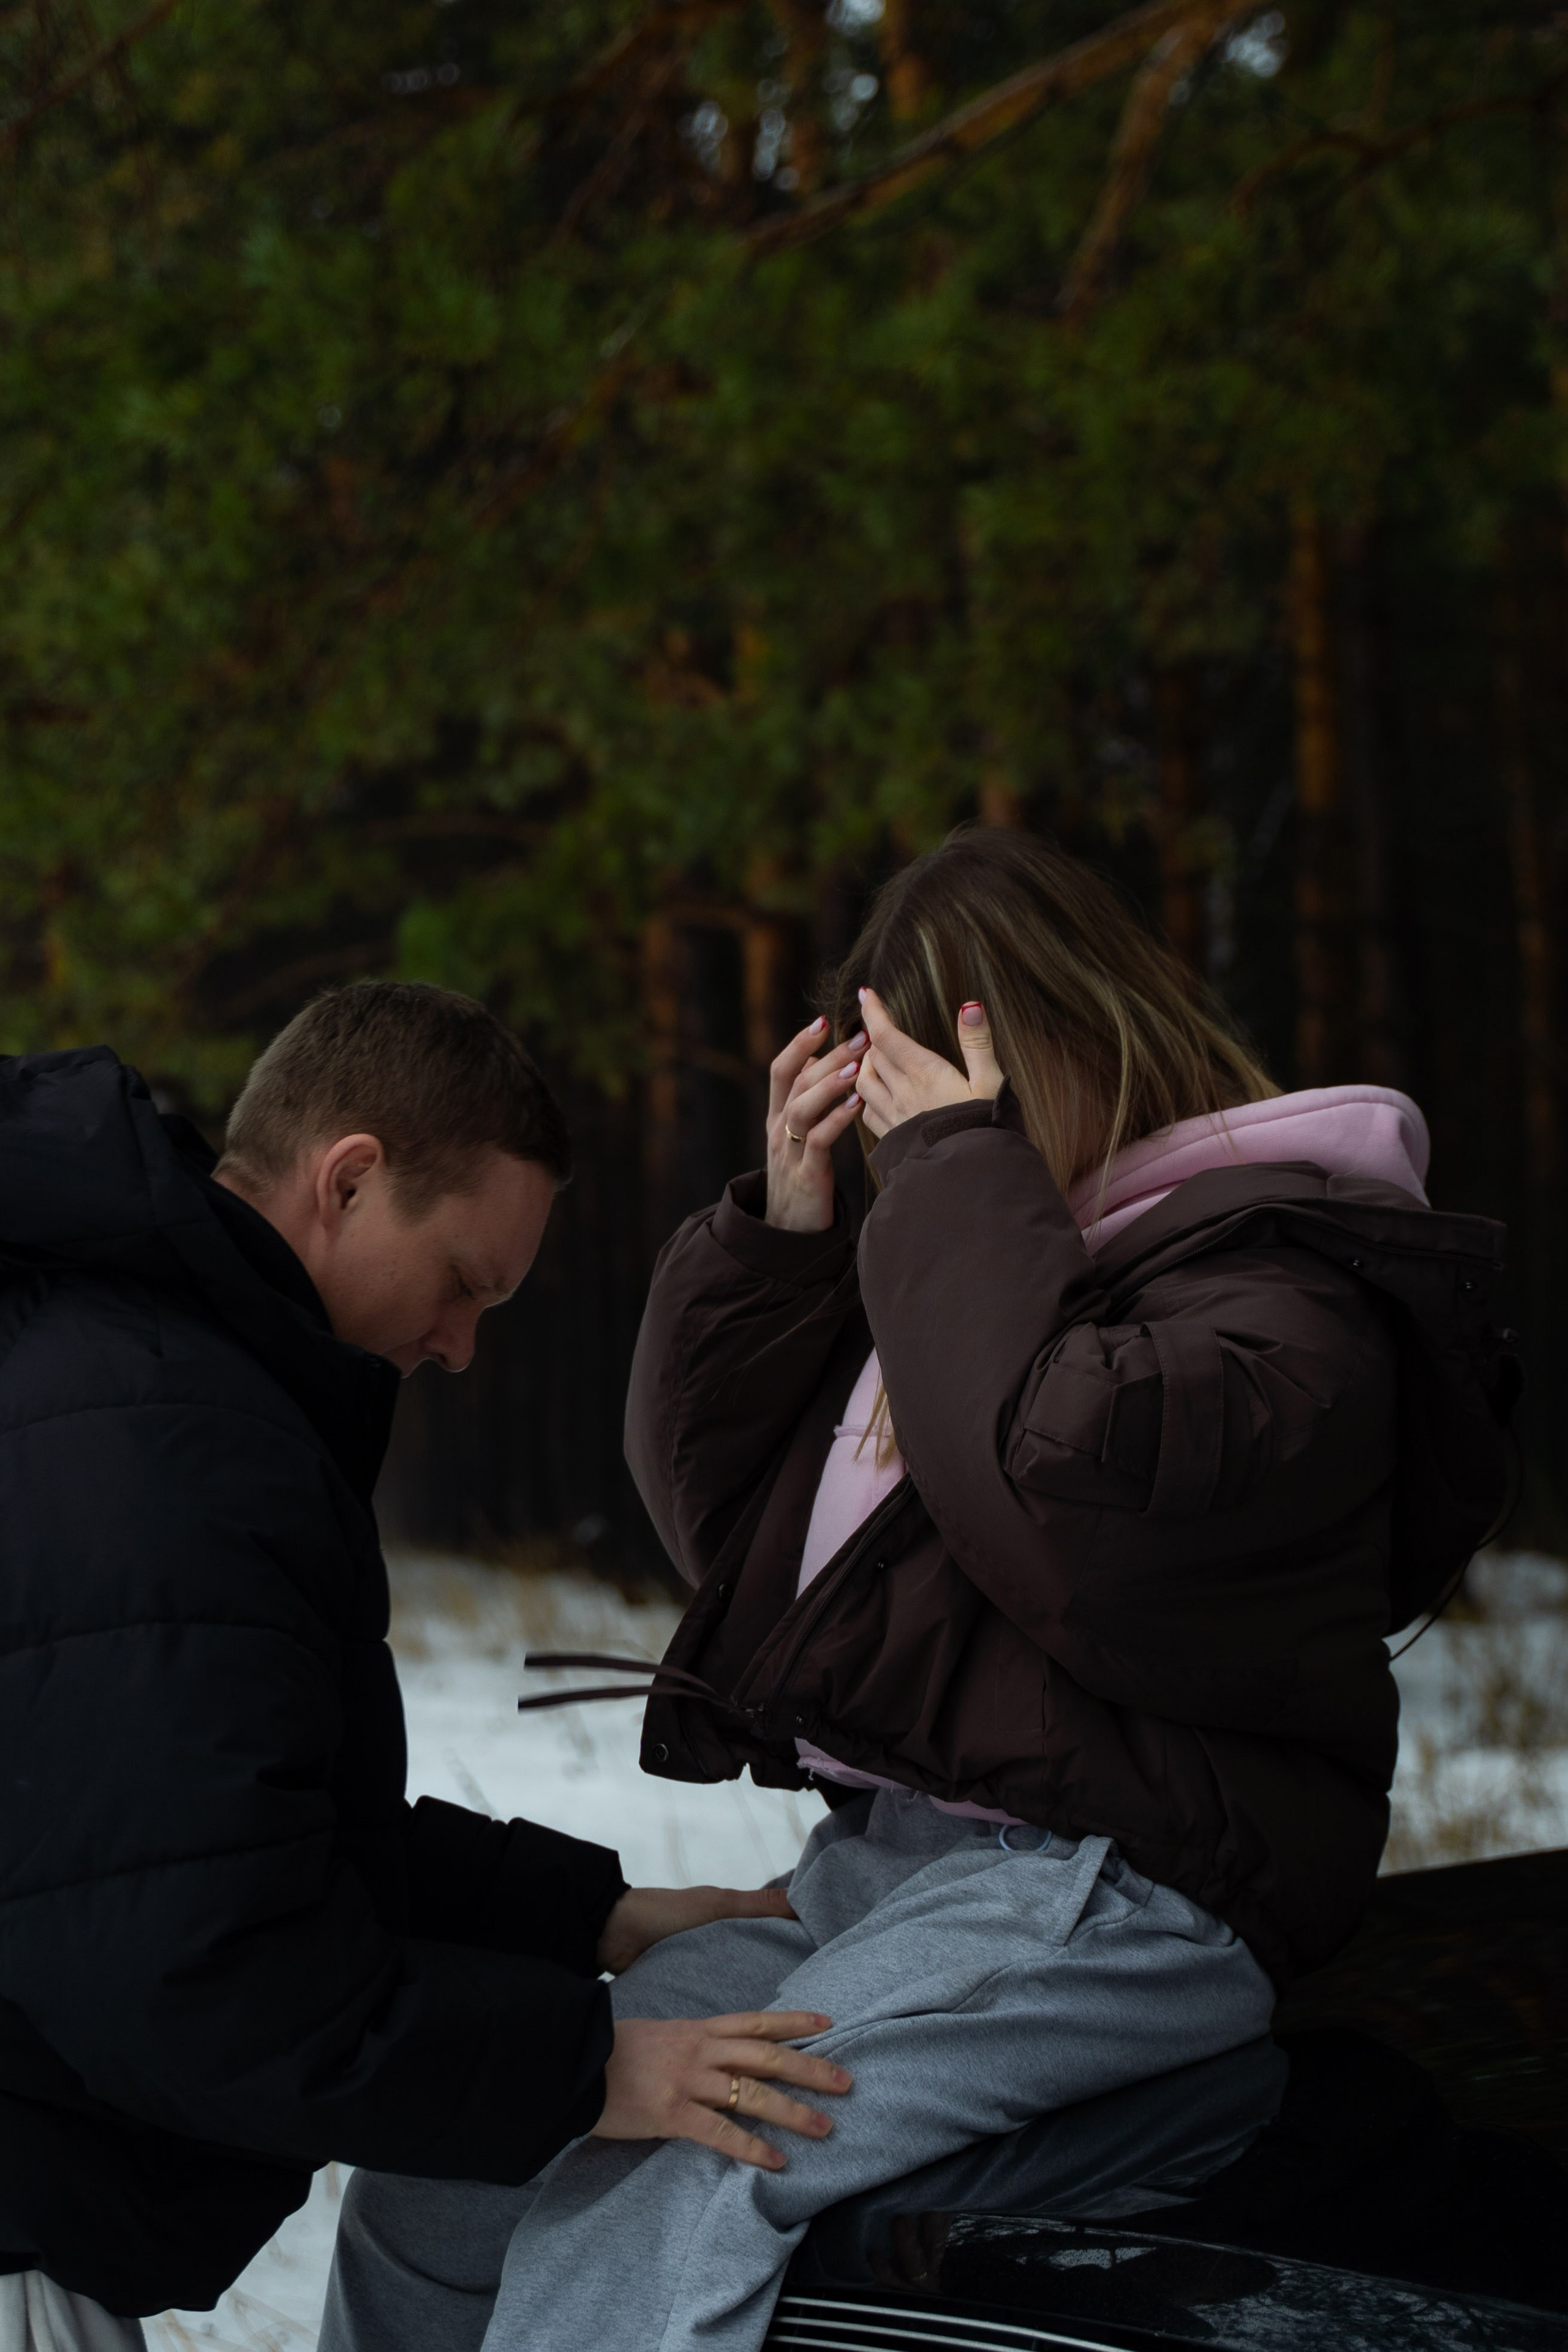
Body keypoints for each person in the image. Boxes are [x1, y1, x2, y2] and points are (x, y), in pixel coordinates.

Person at [324, 832, 1515, 2352]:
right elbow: (725, 1531)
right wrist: (779, 1237)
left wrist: (958, 1181)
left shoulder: (1272, 1277)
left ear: (1049, 1044)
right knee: (453, 2168)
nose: (909, 1141)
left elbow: (1073, 1524)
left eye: (941, 1100)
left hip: (1121, 1887)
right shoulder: (979, 1263)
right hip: (890, 1868)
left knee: (689, 2169)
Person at [0, 982, 850, 2352]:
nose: (458, 1347)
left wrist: (595, 1918)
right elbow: (205, 1974)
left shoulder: (121, 1375)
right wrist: (591, 2071)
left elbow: (208, 1839)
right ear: (348, 1179)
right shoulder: (160, 1445)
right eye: (464, 1281)